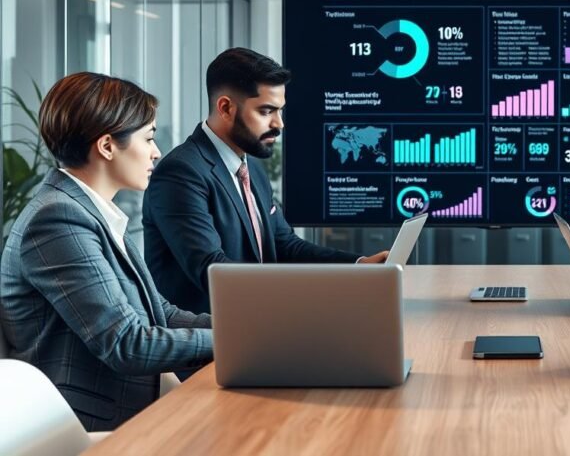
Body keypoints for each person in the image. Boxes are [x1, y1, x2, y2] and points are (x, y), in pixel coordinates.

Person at [0, 73, 212, 431]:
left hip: (135, 409)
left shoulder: (90, 212)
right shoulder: (58, 219)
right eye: (148, 138)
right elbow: (126, 344)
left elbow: (159, 312)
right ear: (107, 146)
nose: (157, 152)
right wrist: (235, 340)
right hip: (89, 428)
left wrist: (241, 327)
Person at [144, 48, 388, 315]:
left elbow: (285, 245)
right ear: (225, 108)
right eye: (266, 111)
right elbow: (212, 269)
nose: (279, 123)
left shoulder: (253, 169)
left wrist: (358, 265)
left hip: (256, 325)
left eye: (280, 110)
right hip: (204, 342)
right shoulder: (181, 172)